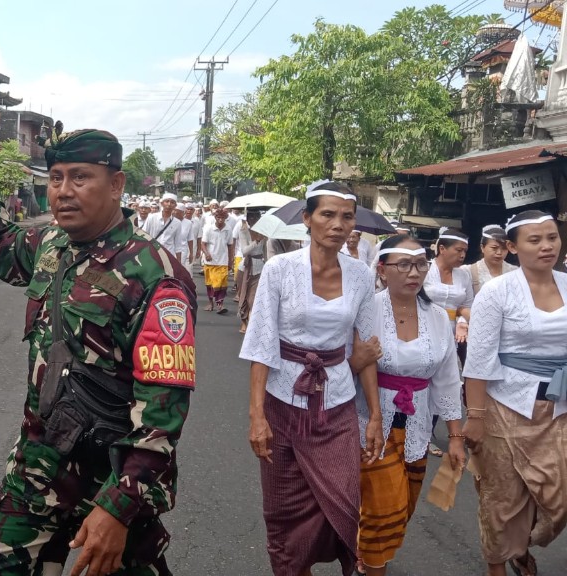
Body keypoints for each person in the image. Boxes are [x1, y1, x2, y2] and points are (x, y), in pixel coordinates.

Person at [0, 102, 198, 576]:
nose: (63, 192)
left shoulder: (153, 274)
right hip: (43, 462)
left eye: (80, 177)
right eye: (56, 178)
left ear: (117, 185)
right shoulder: (52, 246)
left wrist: (120, 507)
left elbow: (164, 406)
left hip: (112, 471)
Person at [240, 180, 384, 576]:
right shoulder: (279, 269)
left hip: (335, 403)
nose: (338, 224)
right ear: (307, 219)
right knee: (284, 515)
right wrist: (257, 416)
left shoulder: (359, 275)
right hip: (282, 402)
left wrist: (374, 415)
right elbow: (261, 344)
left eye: (347, 216)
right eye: (327, 214)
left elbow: (366, 347)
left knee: (342, 503)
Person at [352, 235, 466, 576]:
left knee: (404, 508)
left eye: (419, 264)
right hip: (371, 421)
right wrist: (356, 360)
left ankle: (367, 551)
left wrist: (455, 437)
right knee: (385, 505)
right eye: (403, 265)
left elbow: (447, 377)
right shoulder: (366, 310)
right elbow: (346, 365)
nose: (413, 272)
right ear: (383, 270)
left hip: (418, 424)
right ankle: (372, 565)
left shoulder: (436, 317)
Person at [462, 210, 567, 576]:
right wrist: (474, 417)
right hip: (504, 406)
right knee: (501, 497)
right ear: (512, 247)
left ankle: (520, 544)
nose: (546, 246)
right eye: (534, 240)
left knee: (559, 494)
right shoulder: (496, 292)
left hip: (558, 409)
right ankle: (498, 566)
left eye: (552, 237)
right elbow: (478, 359)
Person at [465, 224, 517, 296]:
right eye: (494, 248)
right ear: (482, 247)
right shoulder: (468, 271)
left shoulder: (514, 271)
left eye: (504, 249)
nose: (499, 253)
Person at [236, 212, 265, 333]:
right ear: (247, 219)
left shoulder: (265, 232)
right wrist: (256, 241)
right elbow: (244, 251)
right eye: (250, 217)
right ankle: (244, 321)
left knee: (253, 298)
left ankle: (253, 323)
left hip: (260, 267)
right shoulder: (243, 231)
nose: (253, 219)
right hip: (246, 267)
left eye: (255, 217)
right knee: (244, 295)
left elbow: (266, 251)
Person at [202, 208, 232, 312]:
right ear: (215, 217)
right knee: (210, 284)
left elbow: (230, 245)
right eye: (218, 217)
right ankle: (211, 303)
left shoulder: (228, 229)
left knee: (222, 284)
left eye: (223, 218)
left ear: (225, 218)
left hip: (223, 261)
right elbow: (203, 244)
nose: (220, 220)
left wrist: (230, 261)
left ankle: (220, 305)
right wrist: (206, 253)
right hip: (210, 261)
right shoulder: (209, 228)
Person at [143, 192, 186, 263]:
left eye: (172, 202)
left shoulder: (177, 223)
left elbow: (178, 245)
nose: (169, 204)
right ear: (162, 203)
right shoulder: (152, 218)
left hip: (168, 257)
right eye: (167, 201)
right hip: (152, 255)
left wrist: (178, 263)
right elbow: (143, 237)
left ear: (175, 206)